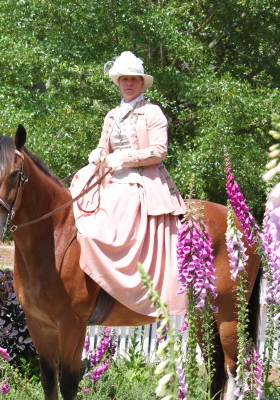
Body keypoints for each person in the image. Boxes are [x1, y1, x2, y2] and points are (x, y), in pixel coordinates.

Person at [69, 51, 186, 317]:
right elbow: (103, 144)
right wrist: (98, 153)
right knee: (77, 188)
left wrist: (125, 157)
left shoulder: (152, 112)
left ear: (142, 83)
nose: (129, 83)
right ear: (118, 83)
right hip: (109, 173)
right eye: (124, 79)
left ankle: (119, 283)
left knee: (113, 213)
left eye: (134, 79)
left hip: (140, 178)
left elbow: (159, 150)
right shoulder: (111, 114)